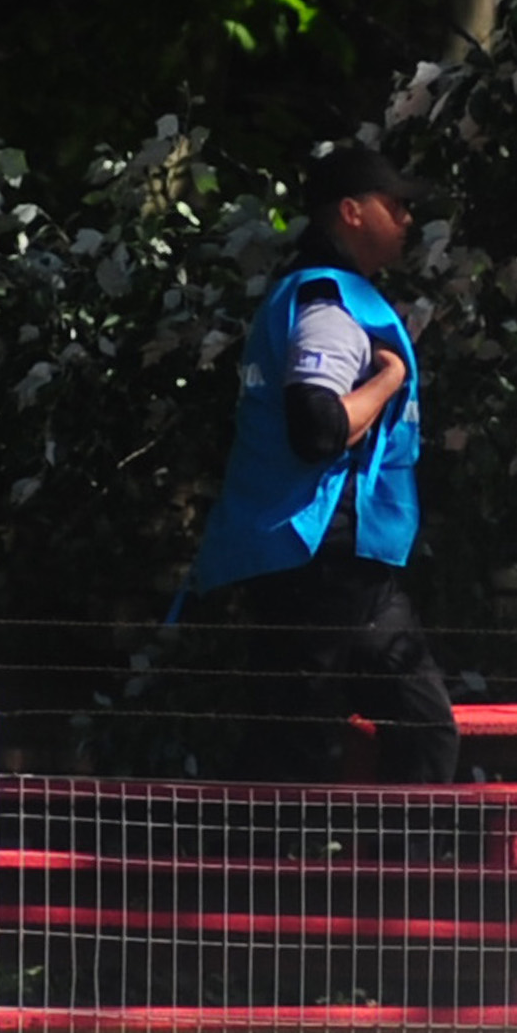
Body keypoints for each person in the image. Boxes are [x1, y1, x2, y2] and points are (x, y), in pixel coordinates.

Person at [177, 145, 459, 784]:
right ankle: (278, 878)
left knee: (413, 726)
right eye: (396, 205)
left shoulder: (327, 294)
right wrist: (388, 380)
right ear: (352, 212)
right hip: (317, 557)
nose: (409, 219)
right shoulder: (330, 303)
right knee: (299, 746)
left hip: (340, 562)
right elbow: (318, 428)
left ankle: (394, 877)